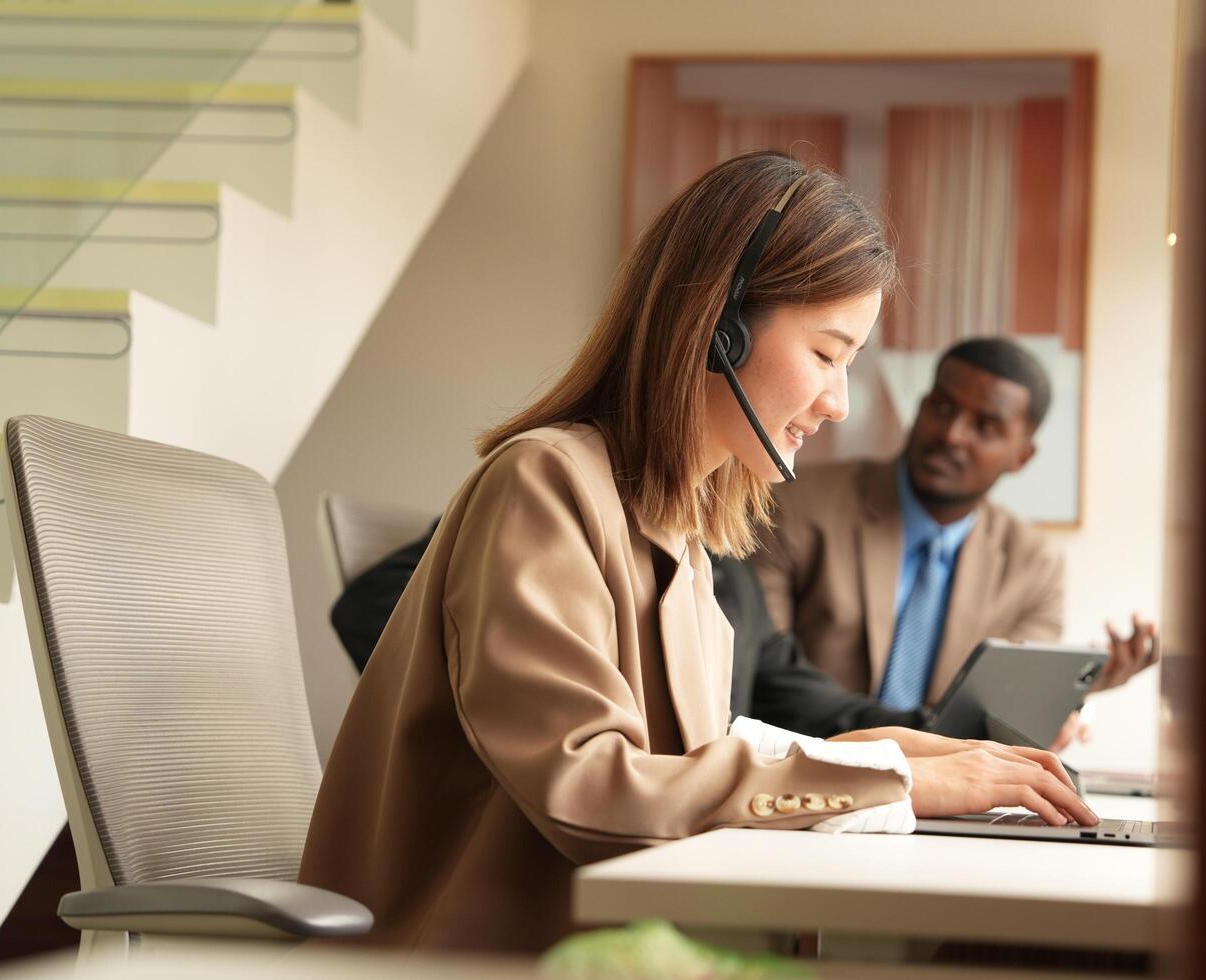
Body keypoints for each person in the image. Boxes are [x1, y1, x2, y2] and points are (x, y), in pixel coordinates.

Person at [299, 153, 1094, 953]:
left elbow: (685, 764)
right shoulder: (545, 480)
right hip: (491, 953)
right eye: (826, 354)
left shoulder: (687, 530)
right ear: (722, 326)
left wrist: (880, 754)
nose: (839, 403)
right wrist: (893, 782)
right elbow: (591, 785)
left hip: (615, 945)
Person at [752, 337, 1159, 746]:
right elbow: (762, 676)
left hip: (948, 791)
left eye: (985, 426)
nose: (952, 434)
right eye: (943, 408)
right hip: (805, 769)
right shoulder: (792, 507)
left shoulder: (1033, 563)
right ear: (922, 405)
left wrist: (1070, 690)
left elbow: (1005, 708)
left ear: (1022, 456)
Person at [332, 523, 919, 736]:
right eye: (824, 356)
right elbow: (370, 605)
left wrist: (940, 732)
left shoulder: (725, 566)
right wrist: (530, 684)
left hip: (692, 847)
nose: (834, 402)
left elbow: (802, 697)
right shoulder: (550, 493)